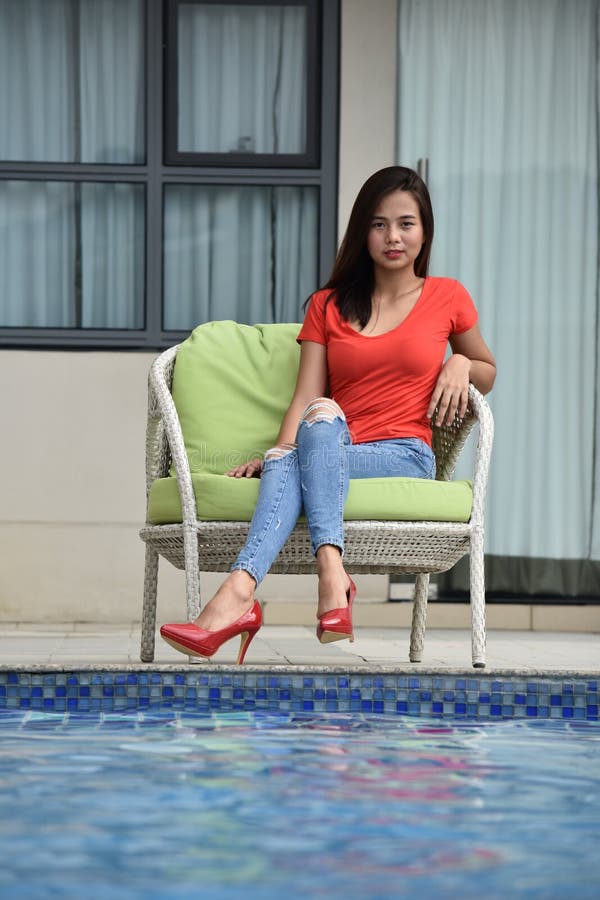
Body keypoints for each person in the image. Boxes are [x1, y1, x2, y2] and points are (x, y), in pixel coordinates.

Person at [160, 166, 497, 663]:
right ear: (363, 232)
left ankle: (238, 598)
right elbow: (304, 396)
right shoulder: (327, 305)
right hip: (332, 444)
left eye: (406, 223)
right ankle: (328, 578)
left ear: (424, 231)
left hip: (403, 453)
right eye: (379, 224)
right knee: (317, 414)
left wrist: (462, 361)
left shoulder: (447, 296)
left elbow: (488, 371)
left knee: (307, 434)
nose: (393, 236)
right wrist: (279, 453)